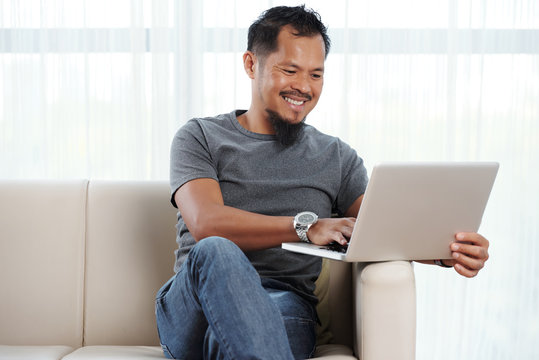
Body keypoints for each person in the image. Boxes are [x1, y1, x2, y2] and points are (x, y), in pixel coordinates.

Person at [155, 5, 490, 360]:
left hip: (283, 304)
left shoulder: (336, 157)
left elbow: (383, 229)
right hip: (193, 310)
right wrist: (305, 227)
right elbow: (207, 225)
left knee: (233, 342)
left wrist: (448, 251)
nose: (303, 87)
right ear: (252, 64)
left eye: (316, 75)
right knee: (217, 251)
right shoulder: (200, 137)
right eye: (290, 70)